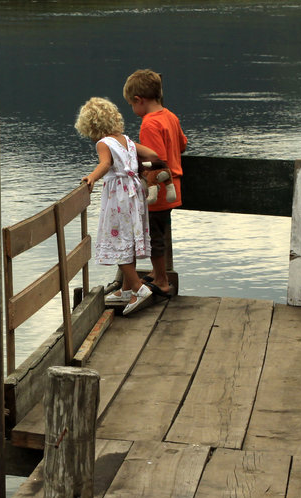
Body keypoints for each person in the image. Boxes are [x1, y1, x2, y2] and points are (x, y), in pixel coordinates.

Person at [75, 97, 167, 316]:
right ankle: (126, 290)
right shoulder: (126, 140)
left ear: (91, 125)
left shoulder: (103, 143)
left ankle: (139, 288)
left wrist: (92, 178)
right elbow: (154, 155)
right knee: (128, 240)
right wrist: (138, 168)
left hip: (118, 198)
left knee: (117, 241)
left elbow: (105, 164)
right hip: (135, 194)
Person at [123, 69, 188, 297]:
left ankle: (161, 280)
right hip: (173, 187)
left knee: (154, 237)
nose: (133, 110)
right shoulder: (170, 116)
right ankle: (156, 271)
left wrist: (135, 162)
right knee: (159, 230)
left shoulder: (149, 124)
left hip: (157, 190)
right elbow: (182, 145)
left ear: (139, 100)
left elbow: (156, 159)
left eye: (132, 105)